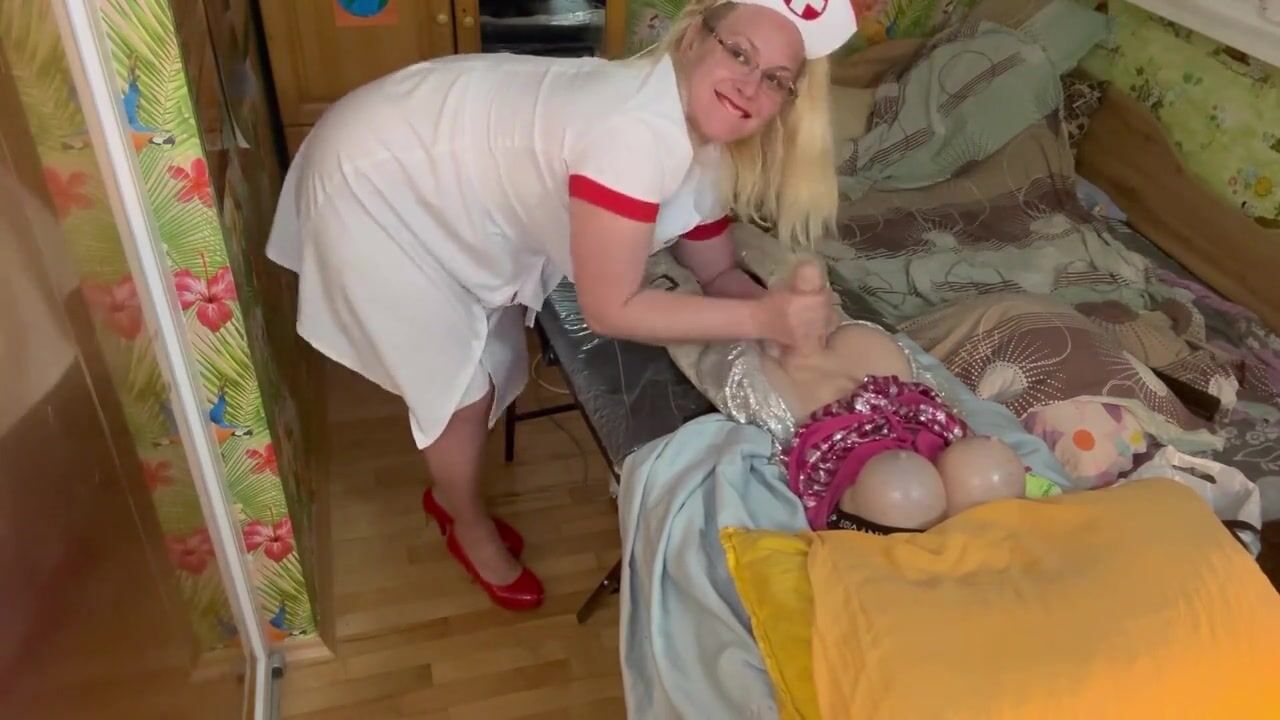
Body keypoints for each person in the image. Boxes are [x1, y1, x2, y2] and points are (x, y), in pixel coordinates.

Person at [266, 0, 858, 611]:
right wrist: (764, 318)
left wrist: (784, 317)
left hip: (424, 151)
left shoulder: (705, 135)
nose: (749, 85)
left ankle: (454, 493)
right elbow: (612, 310)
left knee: (489, 351)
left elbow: (717, 270)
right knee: (459, 388)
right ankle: (461, 519)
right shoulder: (631, 134)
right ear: (692, 39)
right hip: (376, 180)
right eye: (739, 53)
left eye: (776, 79)